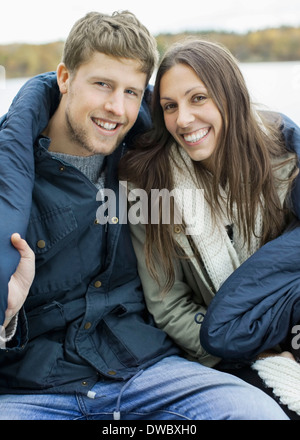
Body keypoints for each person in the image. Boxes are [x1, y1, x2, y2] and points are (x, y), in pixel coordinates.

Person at [0, 11, 289, 421]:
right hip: (31, 389)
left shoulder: (145, 164)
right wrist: (6, 318)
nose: (116, 108)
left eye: (132, 92)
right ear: (65, 78)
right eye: (102, 84)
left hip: (145, 371)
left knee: (256, 414)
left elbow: (254, 132)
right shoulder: (9, 172)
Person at [119, 38, 300, 419]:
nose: (182, 119)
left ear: (230, 95)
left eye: (197, 98)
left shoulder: (286, 163)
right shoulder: (147, 186)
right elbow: (167, 304)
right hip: (223, 353)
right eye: (170, 107)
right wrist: (250, 350)